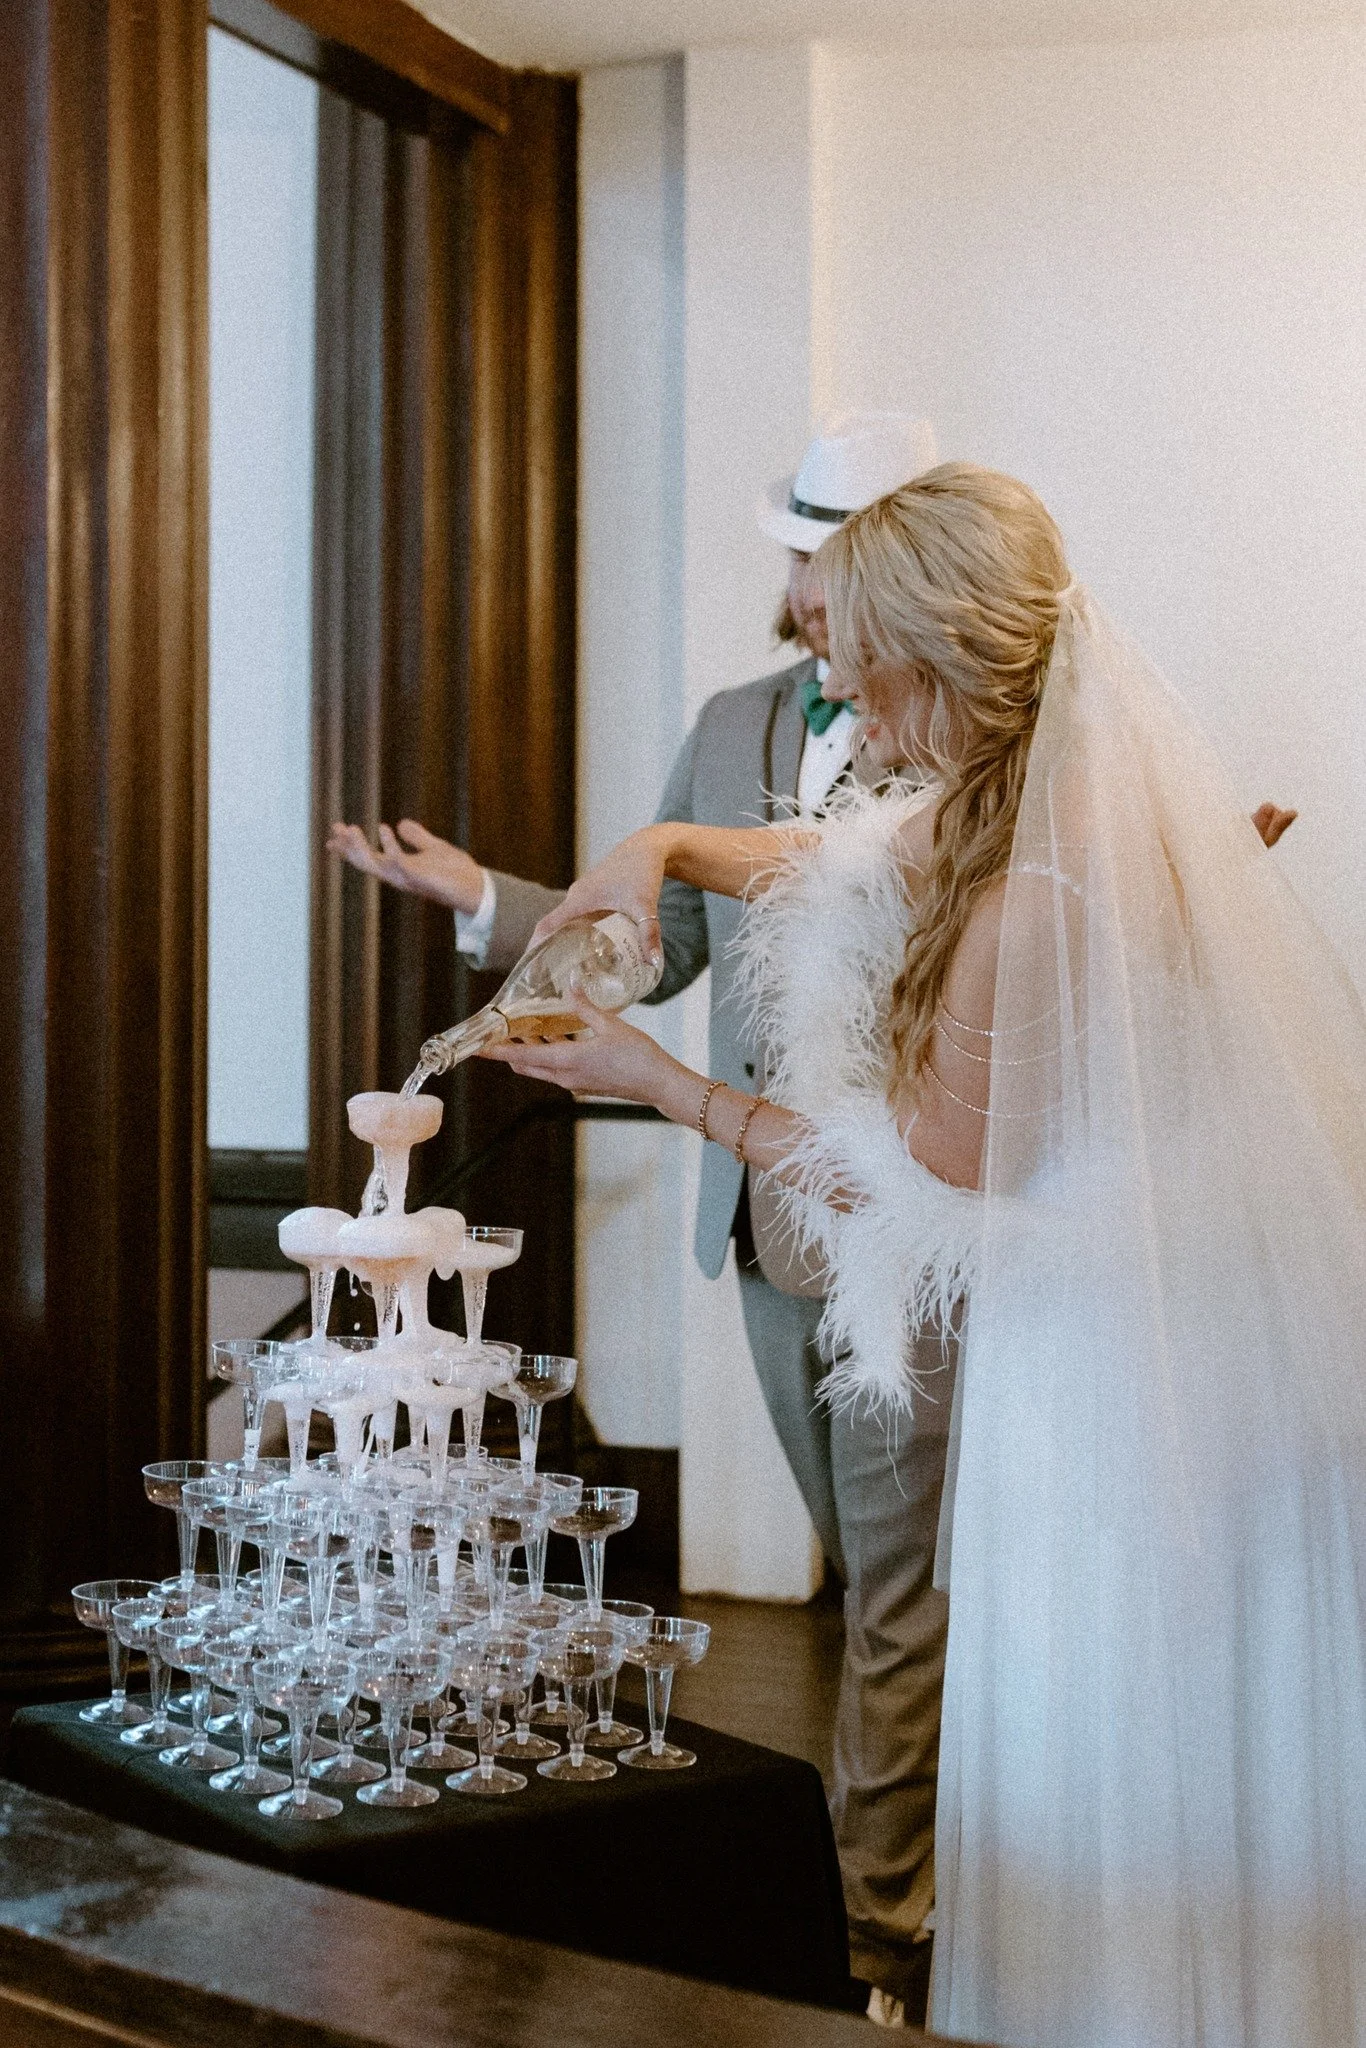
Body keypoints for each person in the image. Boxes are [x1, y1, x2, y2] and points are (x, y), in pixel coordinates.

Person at [476, 462, 1357, 2048]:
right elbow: (831, 861)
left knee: (1094, 1754)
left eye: (863, 680)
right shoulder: (1030, 795)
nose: (846, 719)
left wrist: (665, 1087)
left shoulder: (1033, 893)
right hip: (1131, 1352)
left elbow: (921, 1195)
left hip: (1105, 1395)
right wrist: (664, 845)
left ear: (945, 670)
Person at [331, 412, 961, 2023]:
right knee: (867, 1563)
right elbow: (658, 943)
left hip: (904, 1203)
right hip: (760, 1221)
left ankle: (875, 1937)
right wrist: (488, 902)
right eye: (802, 556)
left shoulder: (950, 723)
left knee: (901, 1594)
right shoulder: (732, 719)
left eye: (840, 558)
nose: (813, 589)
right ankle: (910, 1887)